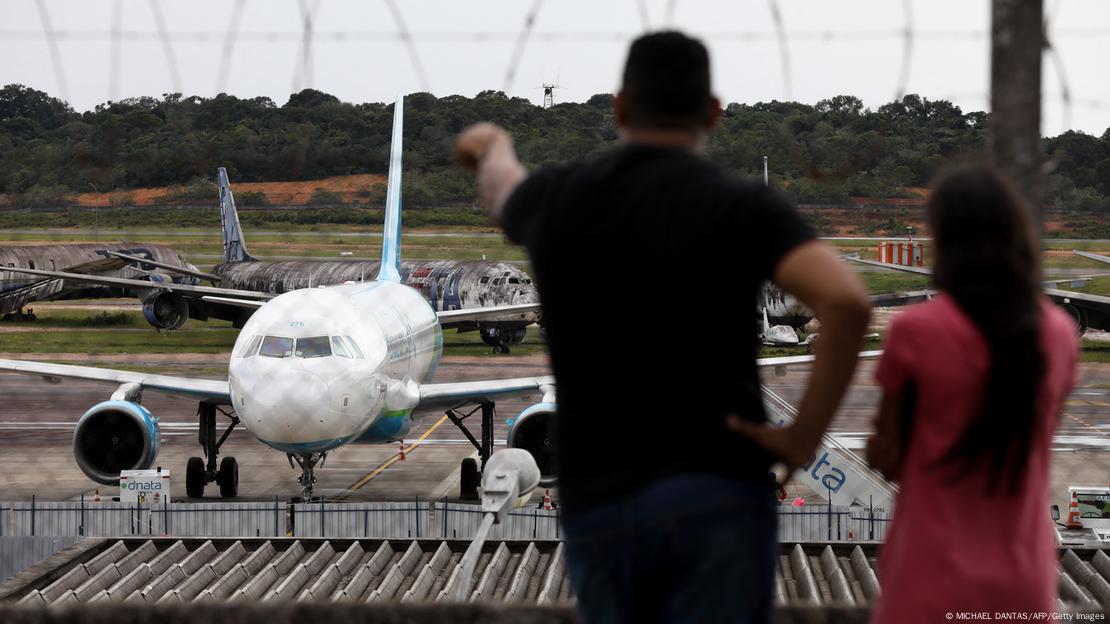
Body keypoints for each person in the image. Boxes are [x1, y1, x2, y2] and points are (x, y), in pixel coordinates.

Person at [456, 31, 871, 624]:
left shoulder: (561, 199)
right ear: (713, 113)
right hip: (719, 490)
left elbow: (502, 188)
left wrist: (491, 144)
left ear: (621, 106)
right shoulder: (743, 207)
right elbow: (849, 306)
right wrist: (801, 439)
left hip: (604, 498)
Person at [866, 165, 1079, 623]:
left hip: (929, 577)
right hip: (1024, 584)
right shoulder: (1059, 335)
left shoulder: (915, 332)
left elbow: (885, 456)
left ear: (943, 239)